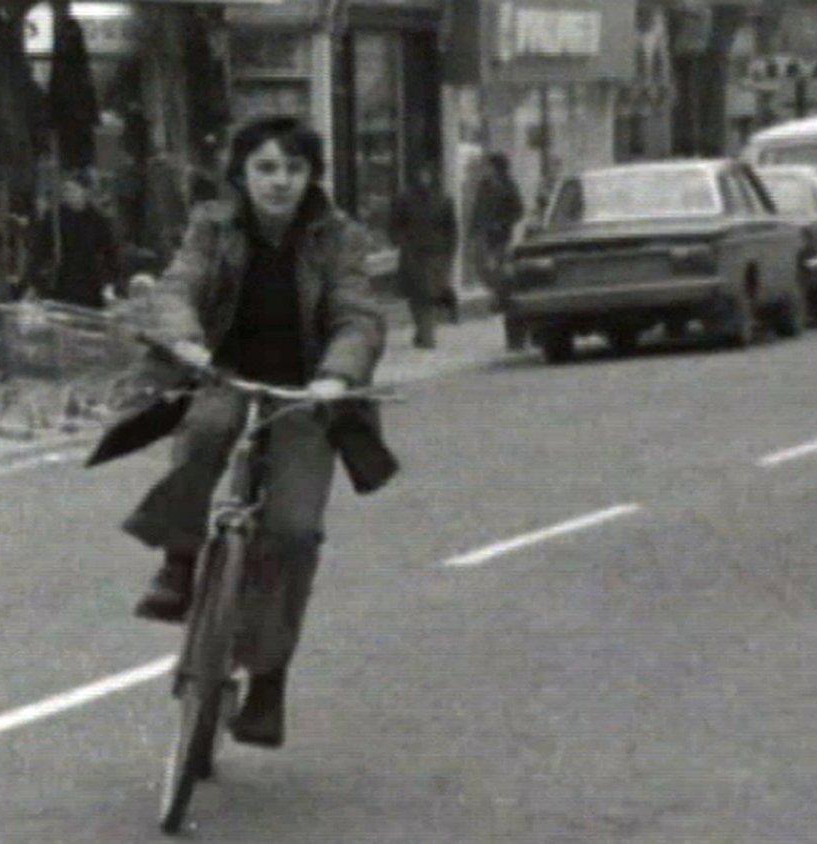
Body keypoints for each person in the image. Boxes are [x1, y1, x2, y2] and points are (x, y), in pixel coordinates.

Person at [124, 117, 387, 747]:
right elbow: (178, 285)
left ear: (310, 176)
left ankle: (267, 681)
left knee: (293, 531)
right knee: (204, 432)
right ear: (241, 174)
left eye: (294, 168)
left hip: (306, 393)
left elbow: (358, 315)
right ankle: (179, 560)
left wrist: (337, 374)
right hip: (222, 374)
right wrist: (184, 339)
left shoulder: (339, 237)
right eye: (266, 168)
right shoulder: (213, 227)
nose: (280, 181)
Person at [388, 165, 458, 349]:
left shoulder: (443, 199)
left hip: (434, 253)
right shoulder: (404, 199)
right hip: (413, 253)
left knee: (429, 295)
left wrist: (449, 252)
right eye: (421, 174)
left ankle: (427, 335)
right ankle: (423, 331)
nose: (424, 179)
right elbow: (394, 225)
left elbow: (451, 229)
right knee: (417, 294)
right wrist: (401, 242)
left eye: (427, 175)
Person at [29, 170, 121, 308]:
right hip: (62, 279)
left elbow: (110, 253)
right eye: (65, 190)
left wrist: (110, 284)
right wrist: (34, 280)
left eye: (72, 189)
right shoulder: (55, 218)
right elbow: (40, 250)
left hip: (89, 281)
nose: (67, 194)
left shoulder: (97, 219)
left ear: (85, 191)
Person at [469, 152, 527, 350]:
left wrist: (502, 224)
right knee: (486, 272)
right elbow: (477, 209)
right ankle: (498, 298)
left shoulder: (508, 185)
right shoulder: (484, 186)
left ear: (497, 167)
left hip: (501, 239)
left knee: (504, 278)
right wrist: (474, 230)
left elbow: (518, 210)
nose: (486, 170)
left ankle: (503, 304)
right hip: (485, 238)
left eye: (489, 166)